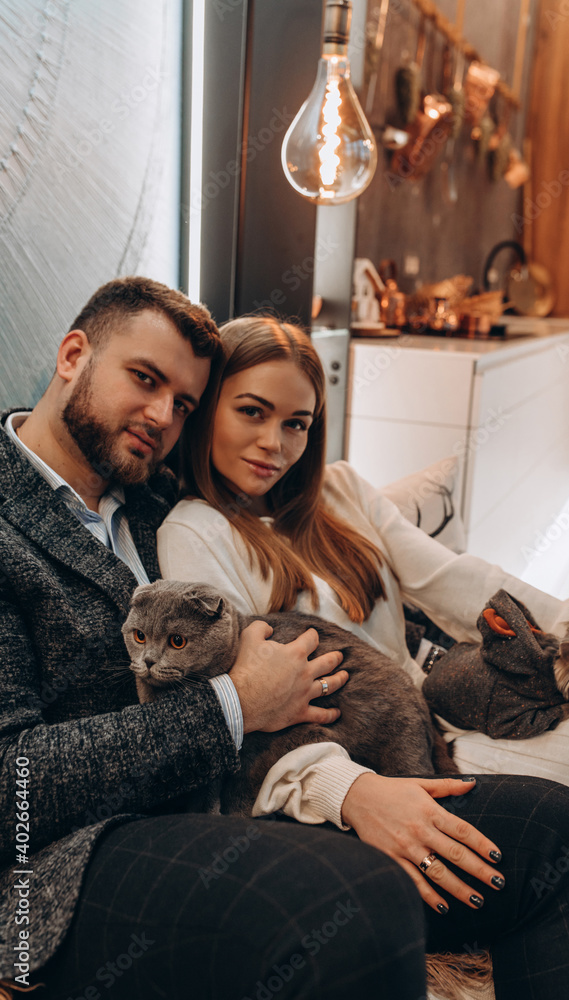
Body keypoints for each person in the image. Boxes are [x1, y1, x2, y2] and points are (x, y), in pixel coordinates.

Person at [157, 315, 569, 1000]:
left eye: (296, 423)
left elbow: (460, 582)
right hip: (375, 765)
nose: (274, 444)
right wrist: (350, 792)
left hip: (446, 717)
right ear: (210, 406)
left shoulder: (338, 492)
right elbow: (241, 715)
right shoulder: (193, 534)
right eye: (251, 412)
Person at [0, 278, 439, 1000]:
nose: (160, 415)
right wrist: (232, 705)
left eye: (182, 404)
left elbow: (293, 526)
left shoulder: (155, 492)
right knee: (357, 899)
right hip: (64, 865)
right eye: (144, 379)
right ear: (74, 355)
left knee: (559, 832)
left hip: (238, 793)